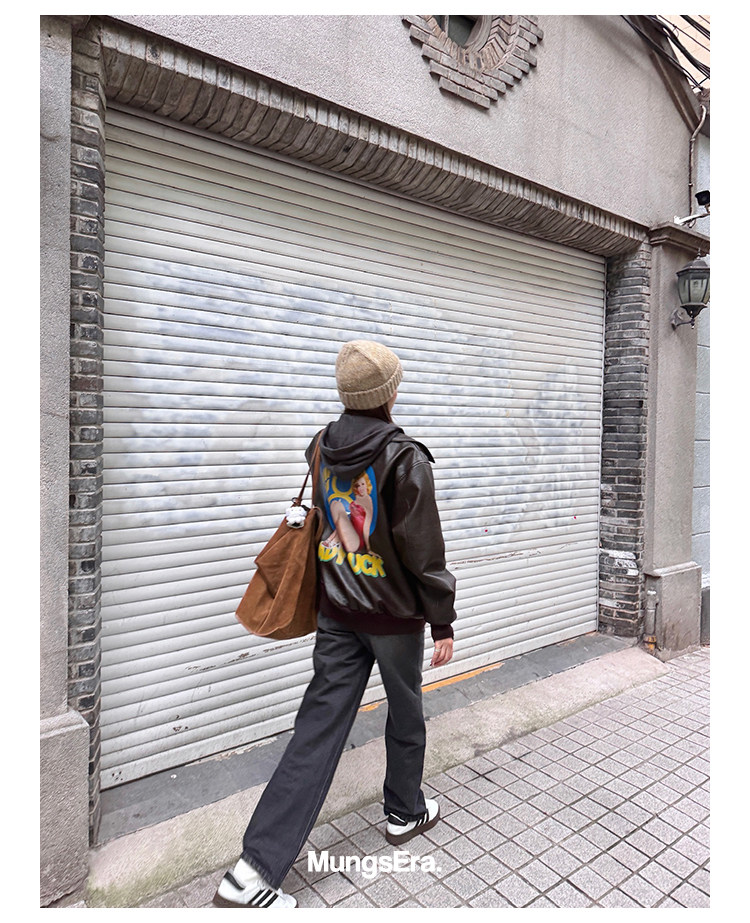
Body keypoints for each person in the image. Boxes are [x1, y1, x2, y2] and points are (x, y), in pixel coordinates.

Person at [214, 340, 457, 909]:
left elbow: (337, 522)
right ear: (389, 393)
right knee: (405, 711)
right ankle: (404, 812)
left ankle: (251, 874)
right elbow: (424, 553)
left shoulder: (321, 445)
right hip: (393, 618)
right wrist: (442, 621)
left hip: (337, 613)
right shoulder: (405, 458)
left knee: (316, 729)